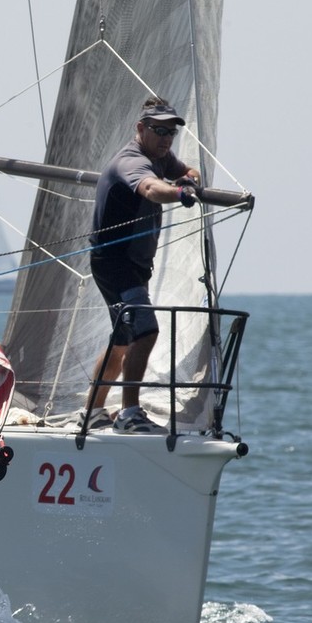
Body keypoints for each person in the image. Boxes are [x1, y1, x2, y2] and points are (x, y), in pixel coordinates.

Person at [84, 97, 201, 435]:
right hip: (115, 263)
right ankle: (129, 413)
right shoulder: (132, 161)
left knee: (122, 340)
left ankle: (92, 411)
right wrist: (179, 194)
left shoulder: (160, 156)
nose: (166, 138)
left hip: (133, 265)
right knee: (145, 331)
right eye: (159, 130)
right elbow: (151, 189)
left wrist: (188, 180)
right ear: (140, 129)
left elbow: (186, 171)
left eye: (171, 132)